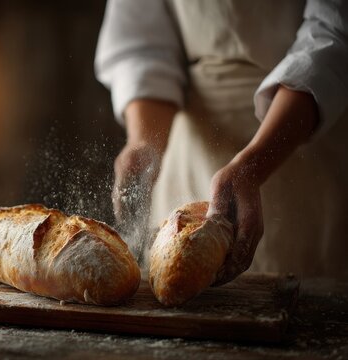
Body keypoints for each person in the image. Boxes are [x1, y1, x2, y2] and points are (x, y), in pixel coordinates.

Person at [95, 0, 348, 283]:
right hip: (190, 154)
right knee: (179, 288)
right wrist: (145, 143)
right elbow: (141, 45)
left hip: (303, 135)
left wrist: (253, 165)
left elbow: (335, 35)